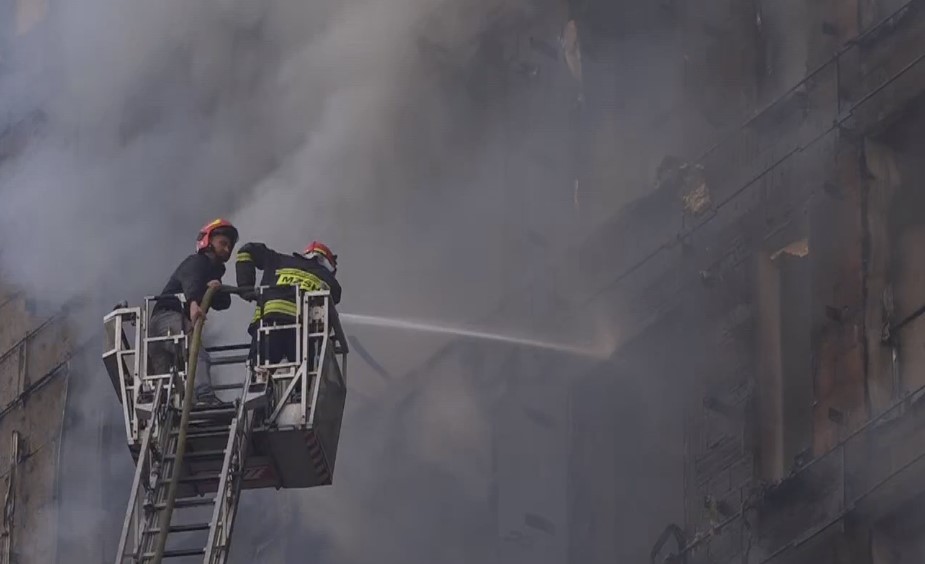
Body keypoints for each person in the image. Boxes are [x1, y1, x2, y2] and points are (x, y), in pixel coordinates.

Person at [148, 218, 239, 407]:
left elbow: (224, 303)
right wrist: (193, 304)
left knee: (164, 384)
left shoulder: (211, 272)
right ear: (208, 241)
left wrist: (216, 289)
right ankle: (205, 396)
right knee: (196, 352)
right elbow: (191, 282)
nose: (227, 249)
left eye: (229, 246)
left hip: (158, 327)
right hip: (169, 319)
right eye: (223, 243)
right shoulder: (196, 262)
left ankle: (164, 407)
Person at [235, 240, 341, 365]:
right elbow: (332, 304)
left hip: (267, 327)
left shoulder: (277, 260)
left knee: (258, 375)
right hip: (301, 335)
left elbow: (247, 249)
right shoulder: (328, 279)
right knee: (305, 378)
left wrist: (245, 286)